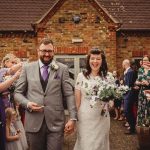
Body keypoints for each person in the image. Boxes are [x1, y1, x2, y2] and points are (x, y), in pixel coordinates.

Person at [14, 38, 77, 150]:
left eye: (49, 51)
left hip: (56, 122)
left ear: (54, 51)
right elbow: (17, 93)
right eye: (44, 51)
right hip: (33, 121)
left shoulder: (62, 69)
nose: (47, 54)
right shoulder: (27, 68)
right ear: (38, 51)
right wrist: (27, 103)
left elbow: (69, 94)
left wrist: (72, 118)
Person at [74, 48, 110, 150]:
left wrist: (110, 102)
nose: (95, 61)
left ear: (102, 61)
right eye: (92, 58)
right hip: (85, 117)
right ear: (88, 60)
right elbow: (77, 100)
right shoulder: (81, 76)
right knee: (87, 144)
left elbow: (111, 101)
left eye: (98, 59)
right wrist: (76, 117)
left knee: (100, 144)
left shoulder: (108, 76)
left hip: (102, 118)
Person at [0, 59, 22, 150]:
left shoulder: (2, 71)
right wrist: (14, 77)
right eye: (11, 61)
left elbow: (11, 70)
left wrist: (22, 64)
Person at [122, 59, 138, 135]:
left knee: (128, 111)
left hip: (129, 94)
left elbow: (129, 84)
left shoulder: (130, 72)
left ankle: (132, 128)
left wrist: (123, 87)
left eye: (123, 64)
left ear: (125, 64)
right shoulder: (127, 72)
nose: (122, 66)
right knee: (127, 111)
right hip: (127, 94)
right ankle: (132, 128)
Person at [136, 56, 150, 128]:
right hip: (142, 91)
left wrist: (148, 82)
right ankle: (141, 126)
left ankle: (148, 124)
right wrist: (141, 82)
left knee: (148, 108)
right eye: (143, 60)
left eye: (146, 60)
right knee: (142, 108)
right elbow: (138, 80)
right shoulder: (140, 69)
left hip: (149, 91)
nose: (145, 61)